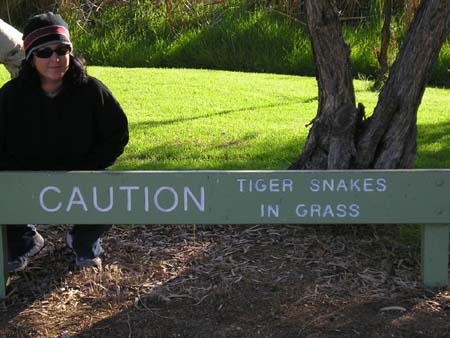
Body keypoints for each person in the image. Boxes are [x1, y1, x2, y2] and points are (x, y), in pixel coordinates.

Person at [0, 12, 129, 272]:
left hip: (82, 174)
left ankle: (83, 241)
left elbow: (117, 133)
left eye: (62, 50)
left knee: (110, 193)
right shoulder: (11, 96)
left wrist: (90, 166)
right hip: (25, 176)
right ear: (31, 57)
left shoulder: (92, 90)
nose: (55, 59)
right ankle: (23, 241)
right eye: (44, 52)